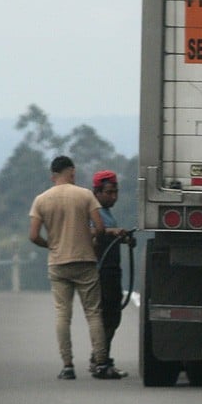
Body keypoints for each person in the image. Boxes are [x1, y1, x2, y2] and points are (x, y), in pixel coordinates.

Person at [28, 155, 123, 380]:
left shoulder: (41, 200)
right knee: (93, 313)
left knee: (63, 314)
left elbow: (33, 236)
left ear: (53, 175)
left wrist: (51, 245)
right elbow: (100, 228)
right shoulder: (84, 195)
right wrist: (91, 240)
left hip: (58, 262)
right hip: (85, 261)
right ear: (71, 172)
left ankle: (68, 366)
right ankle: (101, 362)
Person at [92, 169, 134, 378]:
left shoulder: (108, 213)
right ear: (97, 192)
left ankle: (101, 356)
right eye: (109, 192)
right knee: (107, 317)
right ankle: (100, 360)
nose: (114, 197)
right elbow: (90, 232)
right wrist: (111, 232)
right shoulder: (94, 211)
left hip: (113, 271)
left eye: (116, 192)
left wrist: (125, 239)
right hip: (102, 271)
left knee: (113, 316)